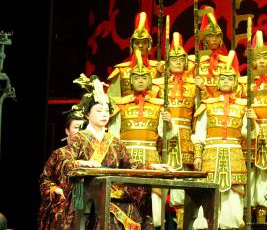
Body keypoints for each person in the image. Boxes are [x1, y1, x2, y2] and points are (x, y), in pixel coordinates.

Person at [66, 75, 149, 229]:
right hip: (86, 191)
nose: (104, 114)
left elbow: (130, 165)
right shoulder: (79, 138)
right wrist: (81, 163)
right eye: (99, 110)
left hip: (112, 192)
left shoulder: (115, 142)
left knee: (134, 210)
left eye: (106, 110)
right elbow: (66, 162)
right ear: (87, 114)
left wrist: (152, 166)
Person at [109, 51, 175, 225]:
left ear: (150, 80)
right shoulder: (121, 104)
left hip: (150, 155)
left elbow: (167, 135)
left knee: (154, 201)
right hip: (127, 157)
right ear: (131, 80)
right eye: (136, 77)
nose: (140, 81)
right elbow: (113, 135)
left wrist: (169, 123)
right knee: (126, 198)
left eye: (144, 78)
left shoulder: (158, 105)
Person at [192, 51, 252, 229]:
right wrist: (197, 155)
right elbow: (199, 133)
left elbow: (248, 134)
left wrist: (252, 122)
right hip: (212, 155)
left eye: (230, 79)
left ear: (235, 83)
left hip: (234, 156)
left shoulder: (242, 107)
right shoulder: (208, 105)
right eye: (223, 79)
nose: (226, 82)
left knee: (233, 199)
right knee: (210, 197)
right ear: (218, 82)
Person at [152, 32, 200, 226]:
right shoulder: (158, 85)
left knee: (181, 188)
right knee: (160, 186)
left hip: (185, 137)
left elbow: (199, 115)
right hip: (163, 137)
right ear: (168, 62)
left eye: (182, 59)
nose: (178, 62)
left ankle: (182, 224)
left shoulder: (193, 85)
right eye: (174, 59)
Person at [243, 30, 267, 213]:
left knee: (266, 177)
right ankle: (247, 214)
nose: (261, 61)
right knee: (250, 175)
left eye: (265, 57)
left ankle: (263, 216)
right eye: (258, 58)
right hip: (249, 132)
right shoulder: (244, 83)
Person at [38, 109, 86, 230]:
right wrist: (55, 189)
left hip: (87, 204)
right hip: (64, 205)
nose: (80, 131)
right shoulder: (59, 154)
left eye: (83, 128)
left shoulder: (91, 155)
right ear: (67, 131)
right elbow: (45, 179)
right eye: (76, 127)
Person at [107, 12, 162, 99]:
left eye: (144, 42)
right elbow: (112, 99)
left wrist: (163, 74)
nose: (140, 46)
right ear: (132, 45)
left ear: (149, 45)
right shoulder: (121, 71)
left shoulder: (158, 69)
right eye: (137, 43)